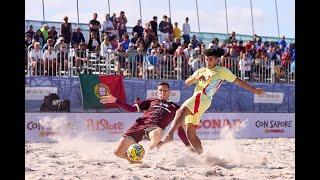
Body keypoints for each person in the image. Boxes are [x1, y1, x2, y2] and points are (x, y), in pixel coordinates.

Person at [156, 49, 264, 154]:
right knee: (190, 134)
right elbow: (187, 82)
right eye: (206, 59)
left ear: (216, 60)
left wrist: (254, 90)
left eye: (211, 59)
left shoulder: (221, 71)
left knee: (180, 111)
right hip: (197, 98)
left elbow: (238, 82)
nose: (208, 62)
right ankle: (203, 157)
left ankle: (169, 135)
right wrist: (197, 77)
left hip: (203, 98)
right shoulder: (201, 70)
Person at [100, 82, 192, 163]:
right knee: (118, 152)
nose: (162, 92)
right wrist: (116, 101)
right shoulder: (151, 101)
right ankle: (135, 161)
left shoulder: (175, 108)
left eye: (165, 90)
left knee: (157, 133)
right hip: (140, 125)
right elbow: (132, 109)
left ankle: (148, 151)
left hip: (155, 128)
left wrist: (189, 146)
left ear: (169, 92)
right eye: (160, 90)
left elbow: (179, 130)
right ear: (157, 92)